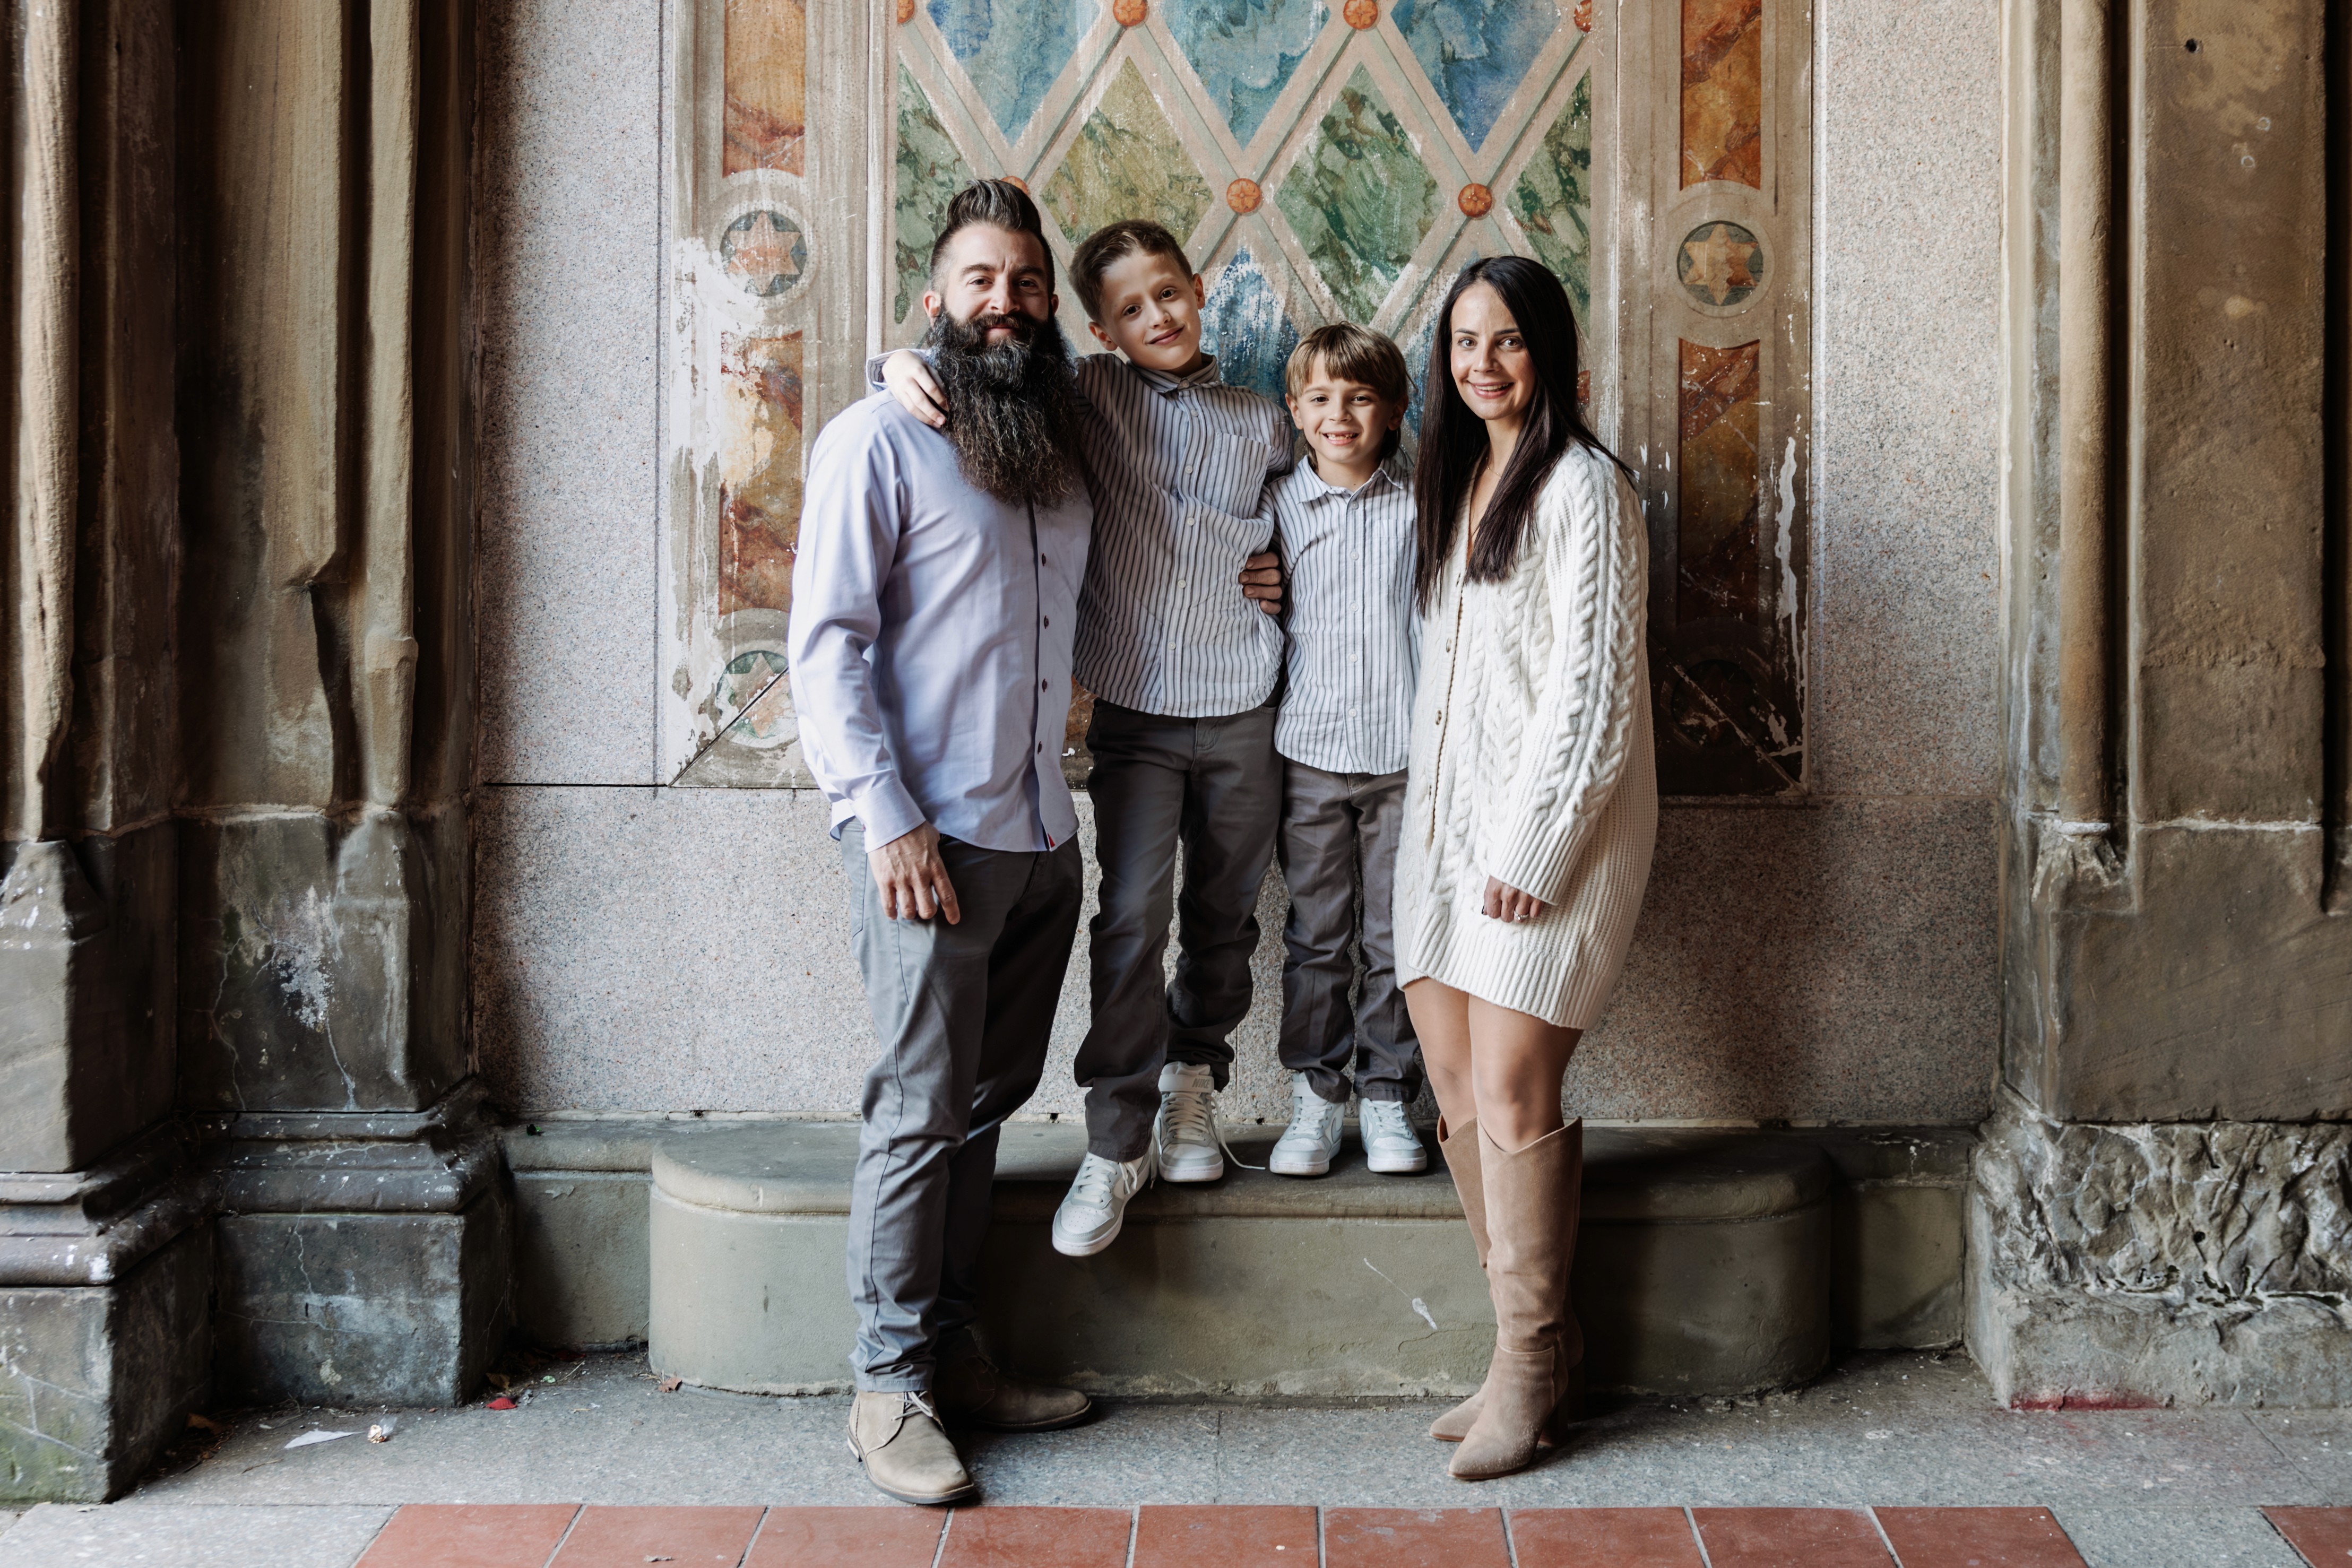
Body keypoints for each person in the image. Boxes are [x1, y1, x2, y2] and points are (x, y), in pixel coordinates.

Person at [874, 220, 1292, 1258]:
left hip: (1245, 707)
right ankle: (1116, 1138)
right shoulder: (1090, 398)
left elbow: (1322, 509)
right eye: (1130, 307)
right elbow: (983, 367)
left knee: (1225, 915)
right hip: (1137, 718)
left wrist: (1283, 574)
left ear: (1198, 289)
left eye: (1169, 293)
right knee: (1131, 918)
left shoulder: (1264, 418)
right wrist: (892, 365)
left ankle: (1192, 1079)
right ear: (1098, 328)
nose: (1156, 315)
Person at [788, 179, 1096, 1508]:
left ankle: (951, 1348)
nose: (1005, 303)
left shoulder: (1055, 440)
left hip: (1039, 836)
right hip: (931, 843)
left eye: (1025, 282)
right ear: (936, 297)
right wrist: (884, 817)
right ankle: (885, 1384)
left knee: (982, 1105)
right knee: (916, 1112)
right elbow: (828, 648)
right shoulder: (875, 437)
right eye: (980, 280)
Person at [1396, 256, 1657, 1481]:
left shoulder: (1584, 487)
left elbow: (1590, 694)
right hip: (1444, 840)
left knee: (1510, 1084)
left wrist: (1536, 846)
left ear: (1546, 351)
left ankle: (1535, 1360)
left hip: (1546, 832)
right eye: (1461, 342)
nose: (1482, 364)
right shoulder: (1454, 479)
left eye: (1505, 341)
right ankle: (1526, 1352)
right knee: (1453, 1085)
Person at [1262, 324, 1428, 1179]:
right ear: (1295, 411)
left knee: (1398, 938)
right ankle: (1317, 1099)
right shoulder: (1276, 507)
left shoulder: (1422, 505)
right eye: (1321, 398)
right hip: (1311, 753)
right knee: (1319, 935)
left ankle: (1388, 1097)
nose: (1340, 414)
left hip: (1403, 758)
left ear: (1395, 409)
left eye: (1360, 398)